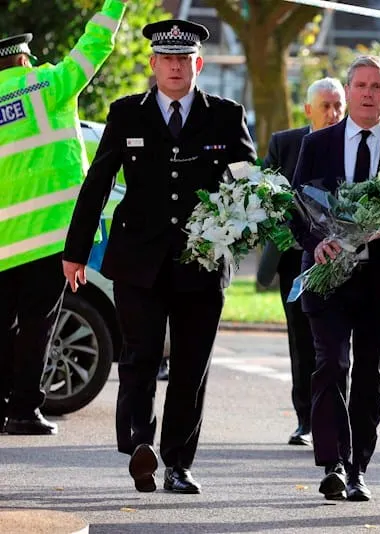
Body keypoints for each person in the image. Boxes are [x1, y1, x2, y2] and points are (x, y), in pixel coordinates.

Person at [62, 19, 257, 494]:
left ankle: (178, 464)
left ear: (198, 64)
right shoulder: (127, 113)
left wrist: (243, 232)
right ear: (152, 64)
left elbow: (250, 183)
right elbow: (98, 182)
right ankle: (139, 446)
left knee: (191, 366)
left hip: (202, 261)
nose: (175, 67)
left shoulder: (225, 115)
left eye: (183, 59)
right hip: (138, 261)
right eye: (166, 59)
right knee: (140, 358)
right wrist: (76, 251)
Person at [291, 55, 380, 502]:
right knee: (331, 364)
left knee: (370, 376)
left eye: (377, 86)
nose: (369, 94)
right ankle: (332, 463)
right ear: (347, 92)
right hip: (329, 276)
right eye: (361, 85)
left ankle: (358, 469)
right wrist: (317, 243)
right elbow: (297, 209)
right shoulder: (318, 143)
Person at [0, 0, 128, 436]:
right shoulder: (48, 84)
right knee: (37, 325)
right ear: (24, 59)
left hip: (3, 244)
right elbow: (96, 44)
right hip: (50, 236)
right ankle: (23, 411)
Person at [257, 77, 346, 446]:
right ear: (309, 109)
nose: (333, 113)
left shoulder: (353, 144)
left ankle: (338, 417)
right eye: (326, 106)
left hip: (344, 257)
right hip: (295, 257)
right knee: (302, 339)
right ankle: (305, 419)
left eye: (338, 105)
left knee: (338, 343)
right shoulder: (286, 143)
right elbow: (264, 193)